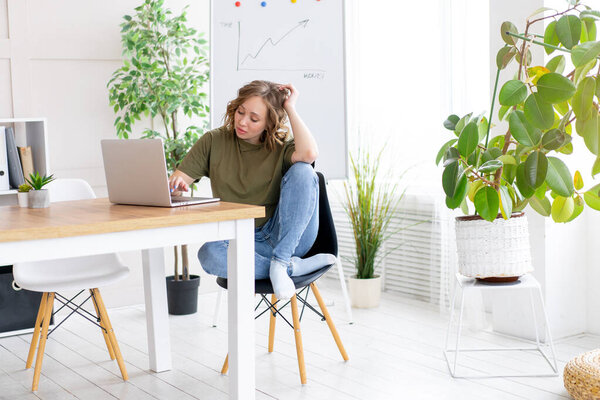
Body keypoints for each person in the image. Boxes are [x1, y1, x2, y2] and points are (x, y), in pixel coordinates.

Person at [168, 80, 335, 300]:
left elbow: (309, 154)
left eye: (254, 118)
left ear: (269, 122)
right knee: (209, 255)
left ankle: (282, 260)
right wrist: (176, 187)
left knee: (304, 171)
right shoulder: (214, 141)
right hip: (240, 240)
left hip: (288, 236)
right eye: (240, 112)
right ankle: (288, 269)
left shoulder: (282, 145)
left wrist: (290, 108)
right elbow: (178, 181)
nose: (243, 122)